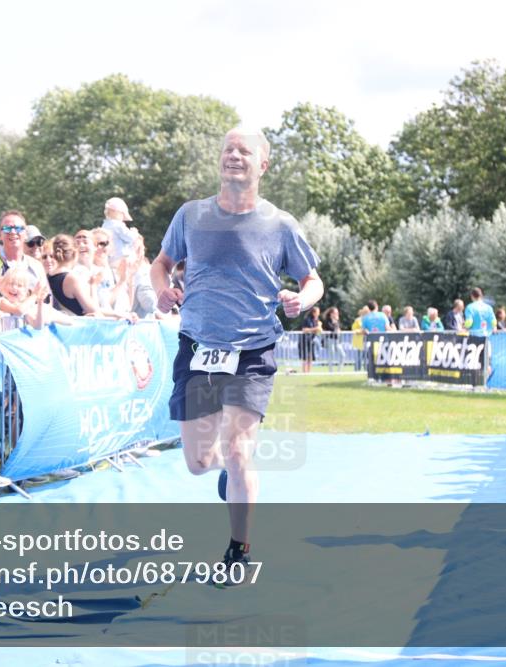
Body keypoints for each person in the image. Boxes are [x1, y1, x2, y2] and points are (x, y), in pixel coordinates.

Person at [150, 127, 323, 578]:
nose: (233, 155)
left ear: (262, 164)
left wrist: (301, 301)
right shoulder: (191, 216)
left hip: (252, 351)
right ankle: (228, 474)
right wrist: (162, 291)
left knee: (241, 448)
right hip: (198, 349)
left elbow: (312, 280)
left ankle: (239, 550)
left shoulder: (280, 225)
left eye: (244, 150)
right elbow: (161, 264)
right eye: (228, 149)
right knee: (198, 462)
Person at [48, 234, 138, 321]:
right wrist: (93, 286)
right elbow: (93, 311)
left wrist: (118, 314)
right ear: (75, 253)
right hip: (76, 331)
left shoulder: (48, 276)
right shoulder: (72, 278)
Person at [0, 210, 47, 294]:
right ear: (0, 235)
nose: (13, 232)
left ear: (26, 235)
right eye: (7, 228)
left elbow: (47, 298)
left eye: (18, 228)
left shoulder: (36, 266)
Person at [101, 196, 139, 268]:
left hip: (110, 258)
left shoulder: (105, 225)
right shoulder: (118, 225)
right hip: (122, 257)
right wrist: (134, 233)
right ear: (117, 213)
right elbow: (130, 237)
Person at [299, 305, 322, 373]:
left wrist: (319, 326)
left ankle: (309, 372)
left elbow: (319, 331)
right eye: (318, 312)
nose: (318, 314)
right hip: (305, 340)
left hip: (312, 340)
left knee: (310, 357)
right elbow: (304, 329)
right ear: (313, 313)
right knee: (305, 358)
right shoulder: (307, 319)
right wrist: (315, 329)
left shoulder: (317, 321)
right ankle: (304, 372)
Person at [321, 306, 344, 372]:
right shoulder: (327, 321)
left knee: (343, 355)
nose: (337, 314)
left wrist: (336, 323)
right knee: (332, 354)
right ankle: (331, 371)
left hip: (337, 340)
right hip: (330, 340)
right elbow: (331, 328)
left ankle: (339, 370)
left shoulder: (337, 321)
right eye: (335, 313)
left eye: (337, 313)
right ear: (331, 313)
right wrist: (335, 323)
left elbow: (338, 329)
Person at [350, 305, 369, 371]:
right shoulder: (358, 320)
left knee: (367, 357)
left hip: (367, 340)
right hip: (359, 341)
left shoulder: (369, 320)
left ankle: (366, 370)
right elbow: (354, 329)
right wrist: (361, 331)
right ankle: (357, 370)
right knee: (358, 357)